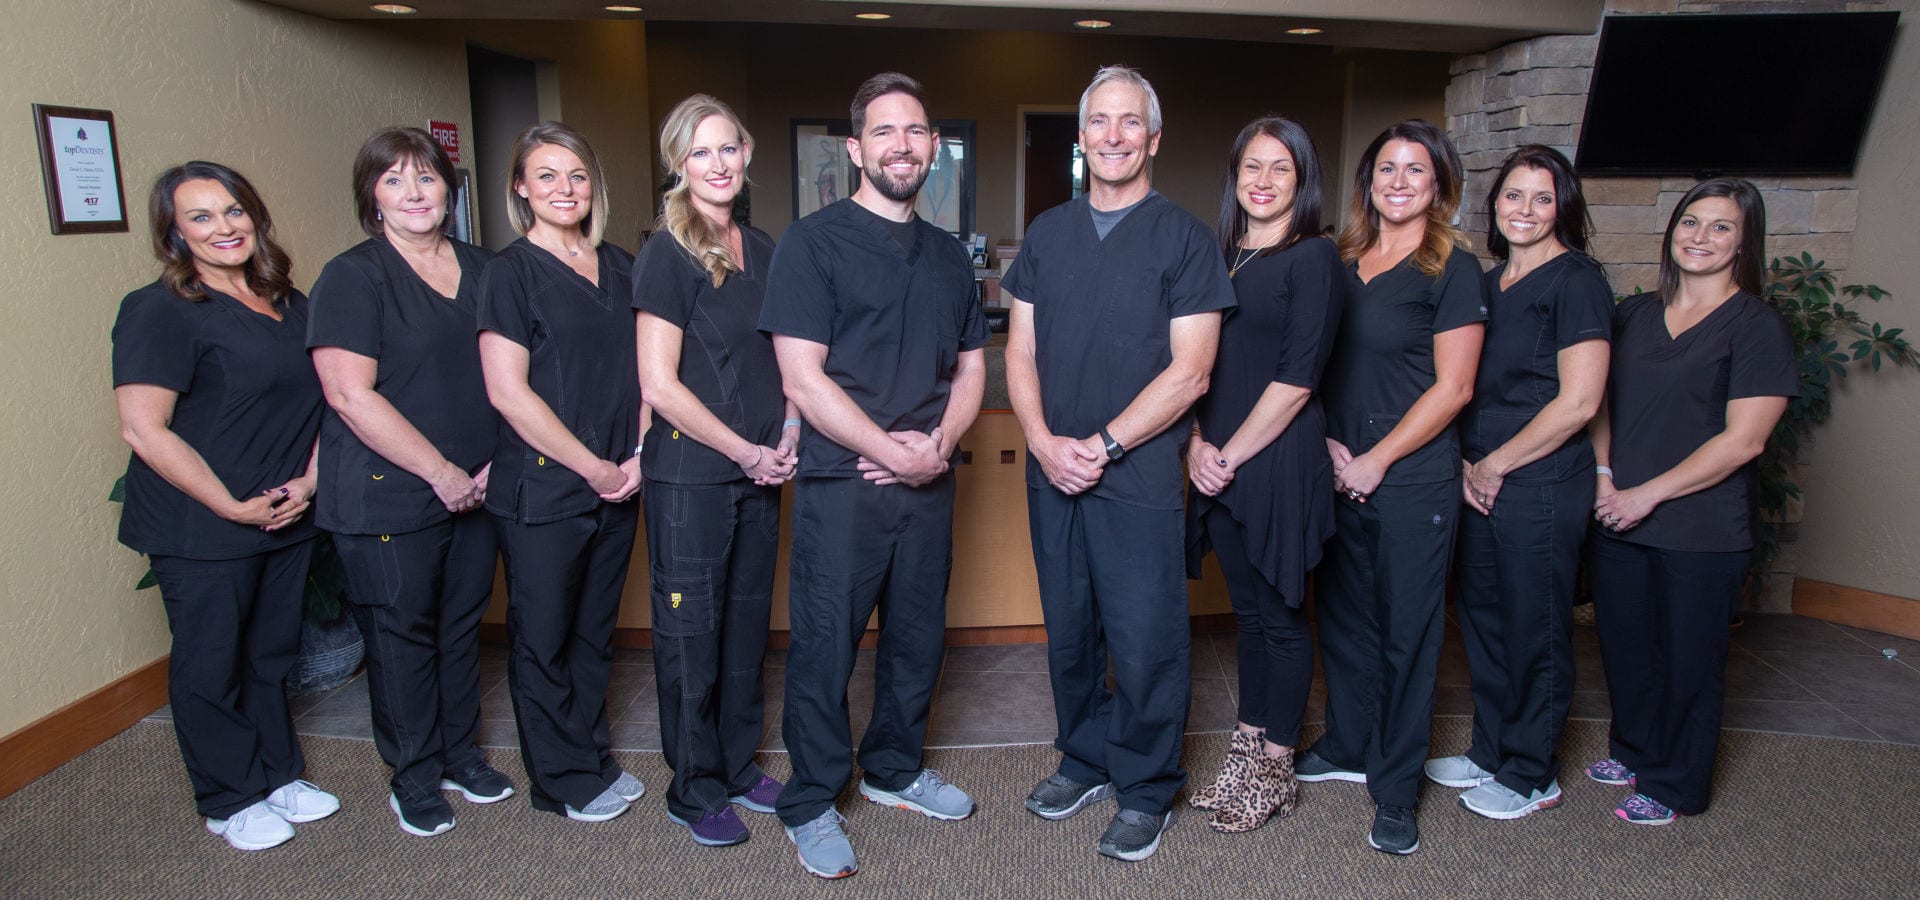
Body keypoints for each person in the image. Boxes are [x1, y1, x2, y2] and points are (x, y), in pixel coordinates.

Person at [759, 72, 987, 879]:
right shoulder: (811, 243)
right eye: (885, 132)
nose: (902, 145)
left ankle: (893, 768)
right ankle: (812, 800)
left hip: (929, 487)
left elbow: (970, 370)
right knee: (825, 648)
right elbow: (803, 377)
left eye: (917, 131)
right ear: (855, 148)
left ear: (934, 148)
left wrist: (937, 446)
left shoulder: (950, 256)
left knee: (918, 639)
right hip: (844, 487)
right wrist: (893, 452)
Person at [1002, 65, 1233, 862]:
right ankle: (1086, 756)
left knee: (1144, 637)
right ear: (1080, 137)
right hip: (1051, 469)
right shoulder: (1046, 233)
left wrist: (1101, 447)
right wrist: (1039, 440)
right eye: (1098, 121)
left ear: (1153, 138)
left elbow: (1191, 372)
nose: (1112, 135)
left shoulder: (1186, 239)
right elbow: (1021, 348)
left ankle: (1145, 784)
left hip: (1131, 475)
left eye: (1129, 122)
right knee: (1069, 629)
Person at [112, 161, 339, 851]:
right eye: (201, 217)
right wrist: (228, 504)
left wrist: (309, 483)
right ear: (174, 233)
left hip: (283, 511)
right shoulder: (159, 310)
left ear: (255, 216)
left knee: (271, 654)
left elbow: (331, 397)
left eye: (234, 211)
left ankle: (276, 774)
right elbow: (143, 429)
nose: (224, 227)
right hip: (200, 523)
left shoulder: (287, 301)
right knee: (211, 661)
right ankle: (227, 796)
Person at [307, 127, 514, 838]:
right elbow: (348, 394)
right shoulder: (352, 277)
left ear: (449, 189)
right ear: (372, 198)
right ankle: (415, 775)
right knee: (401, 637)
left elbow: (515, 376)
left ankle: (461, 755)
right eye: (394, 180)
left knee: (460, 630)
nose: (415, 193)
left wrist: (491, 465)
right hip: (388, 490)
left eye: (426, 178)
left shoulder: (486, 269)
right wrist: (440, 471)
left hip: (481, 486)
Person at [1302, 119, 1485, 855]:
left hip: (1409, 476)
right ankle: (1348, 742)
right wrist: (1328, 443)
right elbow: (1308, 364)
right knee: (1343, 620)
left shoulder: (1452, 269)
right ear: (1368, 182)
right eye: (1386, 169)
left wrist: (1376, 459)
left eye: (1416, 170)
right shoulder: (1339, 260)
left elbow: (1456, 386)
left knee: (1408, 633)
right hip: (1334, 463)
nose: (1399, 182)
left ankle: (1397, 788)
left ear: (1438, 185)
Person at [1587, 178, 1794, 826]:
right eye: (1690, 222)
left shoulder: (1757, 326)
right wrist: (1603, 475)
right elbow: (1600, 404)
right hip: (1618, 512)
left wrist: (1648, 494)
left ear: (1743, 242)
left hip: (1701, 528)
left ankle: (1676, 784)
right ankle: (1634, 749)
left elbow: (1745, 440)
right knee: (1625, 646)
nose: (1699, 237)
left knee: (1689, 660)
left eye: (1720, 227)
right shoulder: (1635, 314)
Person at [1422, 145, 1612, 821]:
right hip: (1476, 474)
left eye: (1541, 197)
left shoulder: (1577, 281)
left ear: (1563, 207)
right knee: (1483, 619)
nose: (1524, 210)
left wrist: (1497, 464)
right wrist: (1473, 467)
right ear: (1494, 204)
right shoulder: (1490, 280)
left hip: (1538, 478)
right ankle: (1493, 749)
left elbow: (1582, 401)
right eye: (1512, 196)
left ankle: (1533, 772)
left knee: (1535, 625)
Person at [633, 94, 793, 848]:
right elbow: (660, 386)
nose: (718, 164)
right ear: (678, 164)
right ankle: (692, 788)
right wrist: (744, 451)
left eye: (728, 148)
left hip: (760, 477)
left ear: (748, 151)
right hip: (693, 480)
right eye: (700, 152)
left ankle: (734, 764)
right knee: (691, 637)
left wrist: (786, 435)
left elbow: (783, 360)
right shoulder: (665, 253)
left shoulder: (762, 247)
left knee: (742, 632)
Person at [475, 122, 643, 823]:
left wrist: (634, 458)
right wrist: (593, 467)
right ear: (520, 188)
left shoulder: (623, 265)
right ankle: (561, 781)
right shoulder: (508, 273)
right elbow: (508, 391)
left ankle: (592, 756)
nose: (563, 189)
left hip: (619, 481)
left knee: (591, 633)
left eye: (575, 175)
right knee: (543, 639)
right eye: (545, 175)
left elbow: (649, 375)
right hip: (544, 487)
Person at [1183, 117, 1345, 834]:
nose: (1264, 181)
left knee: (1281, 617)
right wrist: (1193, 445)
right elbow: (1189, 365)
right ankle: (1247, 750)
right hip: (1215, 460)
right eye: (1252, 166)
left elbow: (1298, 379)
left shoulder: (1314, 258)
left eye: (1281, 168)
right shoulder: (1219, 253)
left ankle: (1276, 766)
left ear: (1302, 180)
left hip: (1273, 458)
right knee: (1247, 615)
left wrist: (1229, 454)